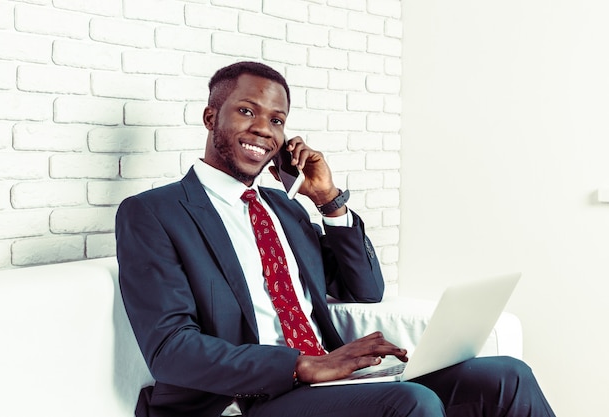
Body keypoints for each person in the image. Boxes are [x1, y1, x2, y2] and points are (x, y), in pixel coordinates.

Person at [115, 61, 556, 417]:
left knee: (506, 375)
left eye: (277, 120)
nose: (264, 130)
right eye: (247, 111)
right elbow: (171, 349)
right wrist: (304, 365)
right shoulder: (155, 212)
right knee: (411, 404)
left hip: (329, 379)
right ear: (212, 117)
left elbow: (365, 290)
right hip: (249, 397)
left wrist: (328, 200)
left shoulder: (283, 208)